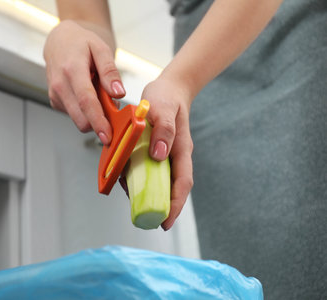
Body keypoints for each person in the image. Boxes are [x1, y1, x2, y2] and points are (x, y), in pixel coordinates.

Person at [43, 0, 327, 298]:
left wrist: (182, 79)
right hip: (201, 85)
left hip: (294, 54)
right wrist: (69, 35)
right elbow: (87, 18)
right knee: (243, 279)